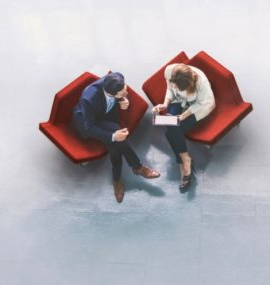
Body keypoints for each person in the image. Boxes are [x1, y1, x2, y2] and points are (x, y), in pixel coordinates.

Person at [72, 72, 160, 203]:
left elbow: (122, 94)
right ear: (111, 93)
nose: (127, 93)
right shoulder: (89, 99)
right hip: (90, 122)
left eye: (125, 89)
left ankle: (118, 180)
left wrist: (123, 100)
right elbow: (89, 128)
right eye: (123, 93)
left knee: (117, 146)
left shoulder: (118, 77)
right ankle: (135, 168)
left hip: (108, 116)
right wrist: (113, 137)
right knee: (117, 142)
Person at [152, 64, 215, 192]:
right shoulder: (169, 71)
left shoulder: (201, 84)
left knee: (171, 132)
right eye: (173, 84)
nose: (174, 87)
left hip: (199, 106)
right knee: (171, 127)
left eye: (177, 86)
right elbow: (170, 89)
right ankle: (186, 159)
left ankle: (182, 161)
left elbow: (200, 104)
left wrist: (183, 116)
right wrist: (165, 105)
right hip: (179, 100)